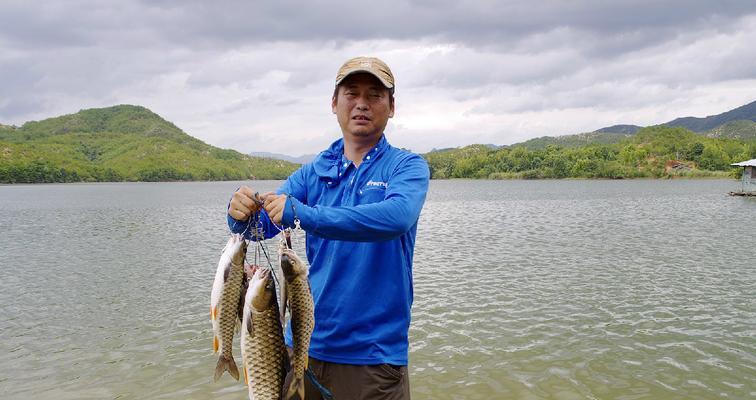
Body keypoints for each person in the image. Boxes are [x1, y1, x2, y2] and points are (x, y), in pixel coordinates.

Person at [227, 56, 429, 399]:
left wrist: (305, 215)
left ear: (392, 107)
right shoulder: (314, 171)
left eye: (375, 95)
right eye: (351, 93)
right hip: (300, 348)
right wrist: (240, 214)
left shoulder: (406, 167)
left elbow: (396, 217)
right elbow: (260, 228)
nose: (362, 103)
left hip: (373, 360)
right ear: (334, 103)